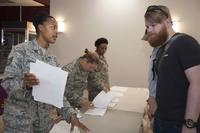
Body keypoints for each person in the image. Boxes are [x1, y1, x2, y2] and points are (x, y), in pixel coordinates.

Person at [1, 12, 89, 133]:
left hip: (42, 122)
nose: (56, 33)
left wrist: (71, 115)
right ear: (40, 27)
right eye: (53, 27)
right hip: (19, 121)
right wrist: (24, 84)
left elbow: (57, 94)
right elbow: (6, 84)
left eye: (57, 28)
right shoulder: (20, 51)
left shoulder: (53, 60)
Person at [144, 5, 200, 133]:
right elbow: (161, 86)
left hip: (179, 123)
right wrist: (155, 114)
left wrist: (189, 124)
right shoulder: (161, 50)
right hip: (162, 120)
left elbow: (197, 84)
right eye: (147, 27)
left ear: (167, 22)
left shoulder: (185, 42)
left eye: (153, 25)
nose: (149, 30)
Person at [142, 29, 159, 121]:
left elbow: (156, 79)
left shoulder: (161, 50)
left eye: (149, 38)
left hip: (159, 99)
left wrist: (152, 105)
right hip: (154, 95)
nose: (148, 41)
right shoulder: (156, 50)